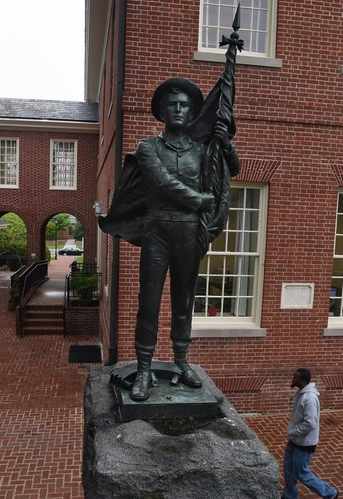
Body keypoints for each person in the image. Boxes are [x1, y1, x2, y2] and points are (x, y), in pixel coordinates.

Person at [99, 78, 240, 401]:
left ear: (192, 113)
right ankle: (145, 369)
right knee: (148, 303)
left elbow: (231, 170)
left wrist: (226, 145)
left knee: (184, 302)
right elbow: (161, 182)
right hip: (157, 231)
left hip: (189, 234)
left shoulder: (203, 150)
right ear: (162, 112)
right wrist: (197, 200)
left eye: (184, 105)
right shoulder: (149, 148)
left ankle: (181, 360)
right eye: (172, 105)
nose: (178, 109)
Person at [282, 368, 339, 499]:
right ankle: (290, 497)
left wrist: (295, 432)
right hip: (296, 440)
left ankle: (329, 493)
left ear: (302, 381)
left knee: (302, 473)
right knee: (288, 468)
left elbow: (310, 423)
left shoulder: (310, 398)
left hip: (305, 443)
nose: (292, 379)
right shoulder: (301, 393)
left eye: (295, 378)